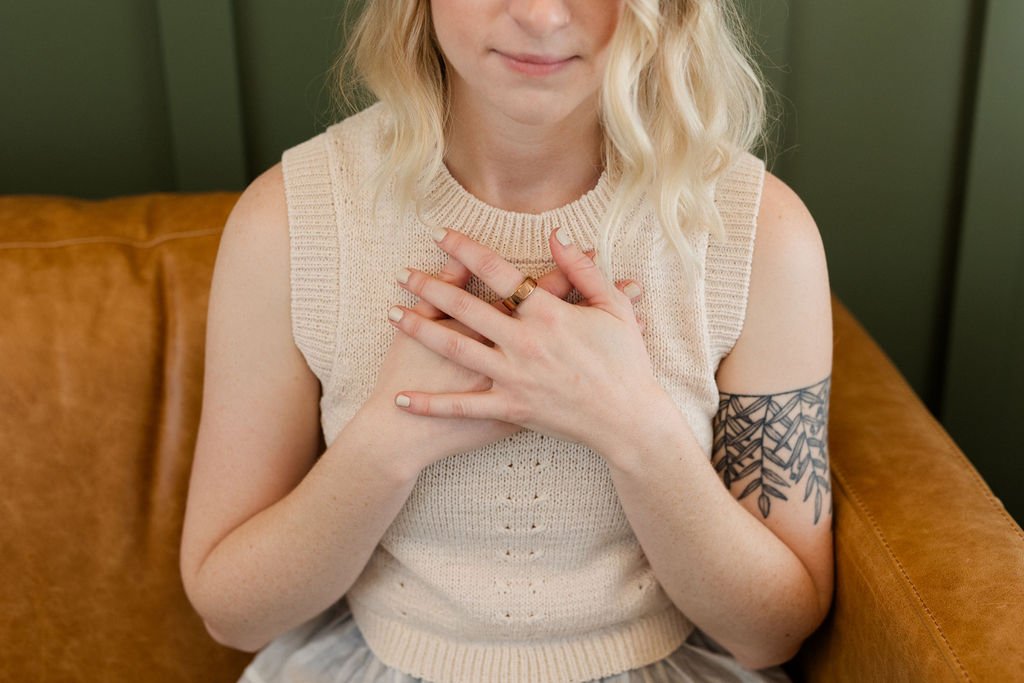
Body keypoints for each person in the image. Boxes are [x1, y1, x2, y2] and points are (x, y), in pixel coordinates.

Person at [179, 0, 834, 681]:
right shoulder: (287, 221)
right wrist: (390, 439)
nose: (541, 15)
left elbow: (774, 632)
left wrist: (636, 431)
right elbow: (233, 614)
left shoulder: (760, 234)